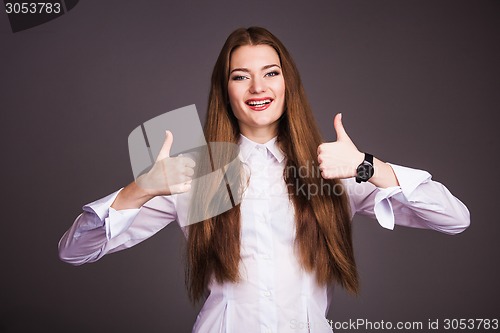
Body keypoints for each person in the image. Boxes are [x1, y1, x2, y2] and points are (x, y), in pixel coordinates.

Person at [58, 27, 470, 333]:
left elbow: (455, 218)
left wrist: (368, 165)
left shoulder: (333, 166)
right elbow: (75, 252)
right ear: (226, 88)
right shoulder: (198, 173)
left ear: (287, 82)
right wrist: (140, 189)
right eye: (241, 76)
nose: (258, 87)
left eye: (271, 73)